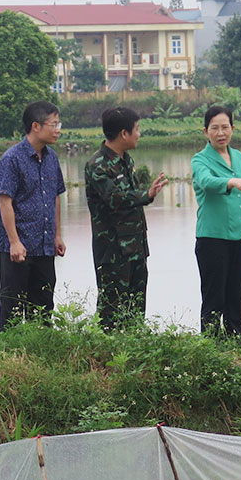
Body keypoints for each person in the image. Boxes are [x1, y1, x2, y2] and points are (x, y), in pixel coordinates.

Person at [83, 106, 167, 331]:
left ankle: (135, 352)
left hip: (136, 246)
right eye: (137, 129)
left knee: (136, 307)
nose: (139, 134)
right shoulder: (97, 165)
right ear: (123, 134)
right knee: (111, 309)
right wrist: (146, 195)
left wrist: (144, 194)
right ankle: (107, 358)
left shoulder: (126, 160)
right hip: (112, 251)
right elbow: (114, 199)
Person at [0, 100, 67, 330]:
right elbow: (5, 201)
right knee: (13, 307)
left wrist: (57, 235)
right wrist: (14, 241)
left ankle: (40, 355)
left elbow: (55, 196)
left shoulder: (51, 157)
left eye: (58, 124)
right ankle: (9, 357)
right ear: (36, 126)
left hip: (45, 245)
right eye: (53, 124)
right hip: (18, 248)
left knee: (43, 306)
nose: (58, 130)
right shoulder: (11, 159)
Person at [191, 105, 241, 339]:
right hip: (213, 239)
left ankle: (235, 344)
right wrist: (231, 182)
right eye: (215, 128)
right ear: (205, 132)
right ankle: (210, 349)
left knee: (236, 296)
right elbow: (206, 182)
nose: (221, 133)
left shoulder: (239, 157)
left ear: (233, 129)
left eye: (225, 127)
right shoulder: (200, 160)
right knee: (214, 299)